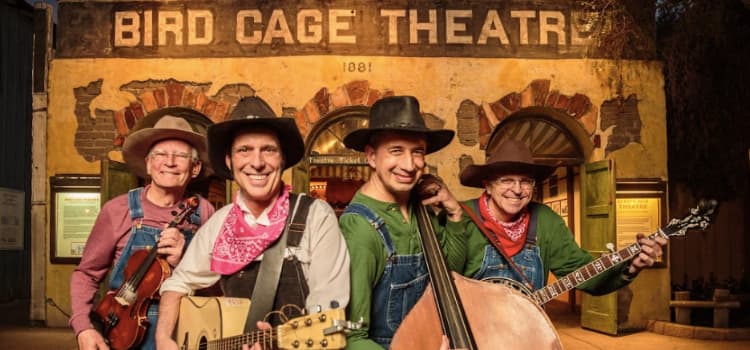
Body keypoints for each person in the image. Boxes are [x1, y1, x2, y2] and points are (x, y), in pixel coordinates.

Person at [155, 96, 350, 350]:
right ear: (229, 161)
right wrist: (163, 338)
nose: (257, 163)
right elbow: (177, 283)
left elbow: (327, 314)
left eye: (268, 149)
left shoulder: (315, 216)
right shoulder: (220, 223)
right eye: (244, 150)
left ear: (282, 159)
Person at [70, 110, 216, 350]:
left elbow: (216, 288)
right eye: (161, 154)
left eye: (180, 155)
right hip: (122, 330)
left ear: (195, 168)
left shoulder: (204, 212)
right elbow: (86, 274)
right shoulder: (117, 210)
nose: (170, 162)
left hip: (185, 332)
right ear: (149, 164)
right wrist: (83, 327)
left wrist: (184, 261)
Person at [339, 95, 470, 349]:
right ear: (372, 157)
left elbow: (450, 273)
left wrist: (454, 215)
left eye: (417, 152)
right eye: (396, 151)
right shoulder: (359, 229)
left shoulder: (420, 207)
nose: (410, 165)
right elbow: (353, 338)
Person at [459, 139, 667, 296]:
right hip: (471, 335)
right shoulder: (459, 218)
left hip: (527, 335)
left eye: (525, 181)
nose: (517, 189)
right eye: (506, 180)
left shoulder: (546, 221)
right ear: (487, 184)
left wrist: (630, 267)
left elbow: (581, 272)